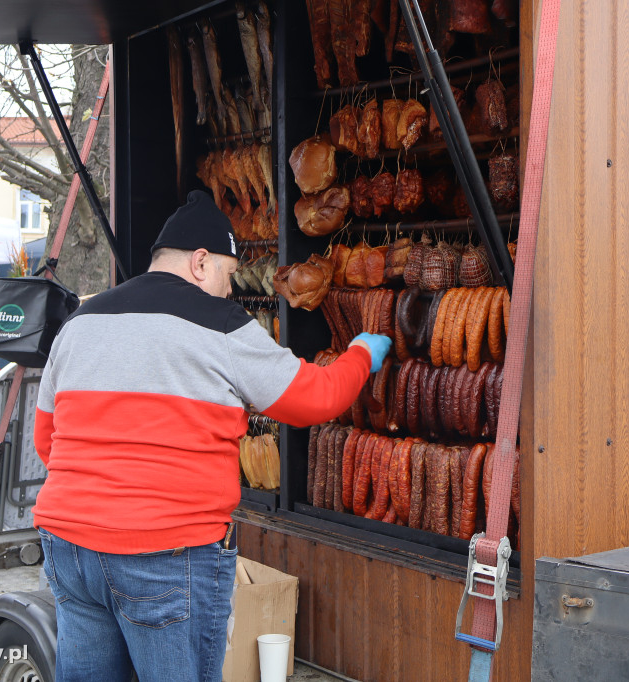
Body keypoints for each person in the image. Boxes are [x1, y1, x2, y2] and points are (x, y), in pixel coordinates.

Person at [32, 190, 391, 682]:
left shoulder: (80, 322)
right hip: (165, 553)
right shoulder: (218, 322)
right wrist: (362, 356)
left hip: (69, 547)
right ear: (200, 262)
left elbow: (46, 442)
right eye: (227, 274)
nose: (229, 290)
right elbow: (314, 399)